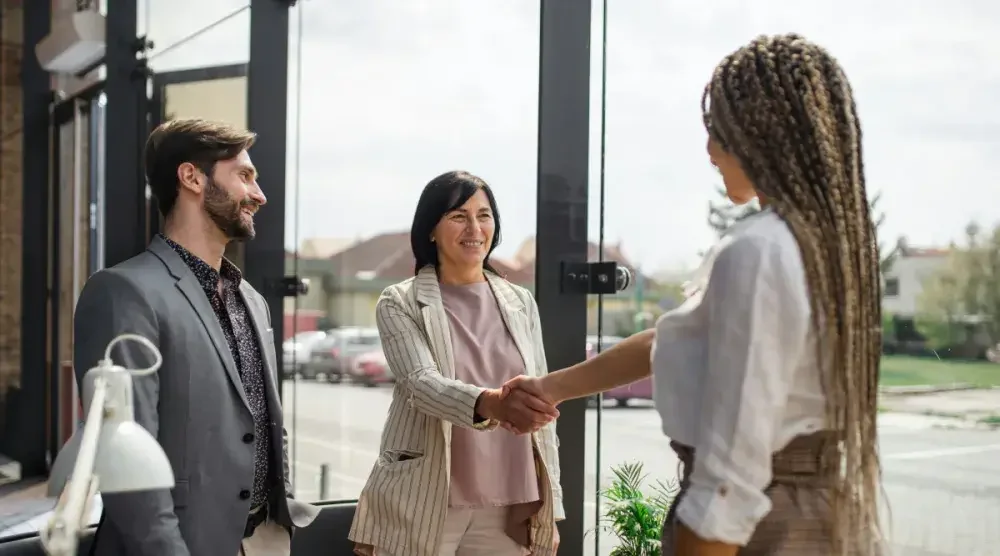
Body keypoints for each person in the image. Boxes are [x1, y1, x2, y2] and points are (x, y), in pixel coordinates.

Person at [504, 34, 884, 555]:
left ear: (761, 133)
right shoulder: (829, 249)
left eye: (718, 132)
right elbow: (672, 338)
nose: (709, 152)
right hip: (815, 513)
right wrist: (550, 389)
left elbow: (730, 481)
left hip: (759, 529)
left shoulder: (757, 251)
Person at [73, 118, 318, 556]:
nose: (259, 196)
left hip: (264, 539)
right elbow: (125, 462)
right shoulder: (123, 292)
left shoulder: (254, 301)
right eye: (245, 176)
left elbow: (262, 422)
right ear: (191, 177)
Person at [349, 171, 564, 556]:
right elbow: (420, 383)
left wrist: (553, 508)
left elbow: (541, 408)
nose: (474, 228)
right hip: (426, 496)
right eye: (458, 216)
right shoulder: (400, 301)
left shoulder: (520, 301)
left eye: (484, 215)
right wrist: (491, 402)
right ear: (430, 229)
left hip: (509, 500)